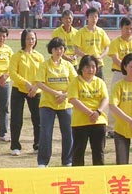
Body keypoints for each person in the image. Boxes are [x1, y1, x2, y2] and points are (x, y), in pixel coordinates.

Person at [35, 37, 77, 167]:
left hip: (65, 104)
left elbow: (75, 83)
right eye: (56, 49)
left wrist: (64, 95)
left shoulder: (68, 65)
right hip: (48, 104)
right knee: (46, 133)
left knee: (68, 133)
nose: (59, 51)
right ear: (51, 50)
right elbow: (39, 83)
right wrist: (55, 93)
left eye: (61, 48)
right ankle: (43, 161)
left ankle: (67, 160)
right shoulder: (45, 65)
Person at [68, 55, 109, 166]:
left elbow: (105, 99)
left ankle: (98, 174)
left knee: (98, 152)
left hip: (98, 121)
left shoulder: (100, 82)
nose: (91, 70)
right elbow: (73, 99)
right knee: (78, 152)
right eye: (87, 67)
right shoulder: (75, 82)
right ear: (81, 68)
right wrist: (90, 113)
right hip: (80, 122)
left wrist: (98, 112)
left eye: (93, 67)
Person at [9, 29, 44, 154]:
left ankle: (38, 145)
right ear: (23, 40)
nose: (30, 41)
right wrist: (25, 83)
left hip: (35, 91)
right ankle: (15, 146)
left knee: (38, 119)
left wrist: (35, 87)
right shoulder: (17, 56)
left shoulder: (39, 56)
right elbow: (13, 73)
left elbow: (42, 74)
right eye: (28, 38)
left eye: (33, 38)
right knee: (16, 119)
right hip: (19, 90)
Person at [74, 7, 110, 79]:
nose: (94, 19)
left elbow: (107, 47)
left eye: (96, 16)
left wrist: (100, 56)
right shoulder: (81, 32)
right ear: (87, 18)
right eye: (91, 16)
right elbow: (76, 49)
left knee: (100, 84)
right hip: (85, 64)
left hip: (98, 64)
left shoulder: (101, 31)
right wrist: (87, 56)